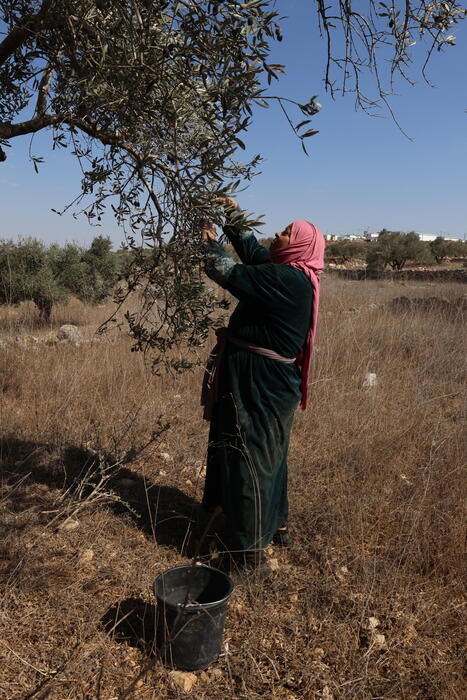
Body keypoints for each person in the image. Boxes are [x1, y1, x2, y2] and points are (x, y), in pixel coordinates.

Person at [200, 198, 324, 577]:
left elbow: (228, 272)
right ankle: (274, 524)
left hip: (259, 382)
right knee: (269, 454)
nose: (278, 233)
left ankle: (250, 554)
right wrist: (233, 218)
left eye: (286, 232)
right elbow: (254, 253)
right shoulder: (289, 272)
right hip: (268, 380)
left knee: (248, 456)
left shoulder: (287, 280)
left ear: (299, 244)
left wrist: (209, 243)